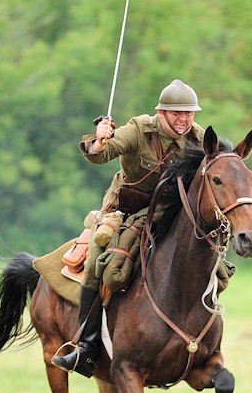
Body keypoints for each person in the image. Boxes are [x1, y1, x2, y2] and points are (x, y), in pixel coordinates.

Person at [51, 79, 205, 377]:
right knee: (98, 261)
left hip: (171, 215)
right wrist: (99, 139)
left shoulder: (198, 139)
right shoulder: (138, 129)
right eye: (177, 113)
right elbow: (100, 154)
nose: (183, 119)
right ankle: (86, 346)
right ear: (161, 113)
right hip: (126, 210)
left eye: (189, 113)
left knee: (213, 261)